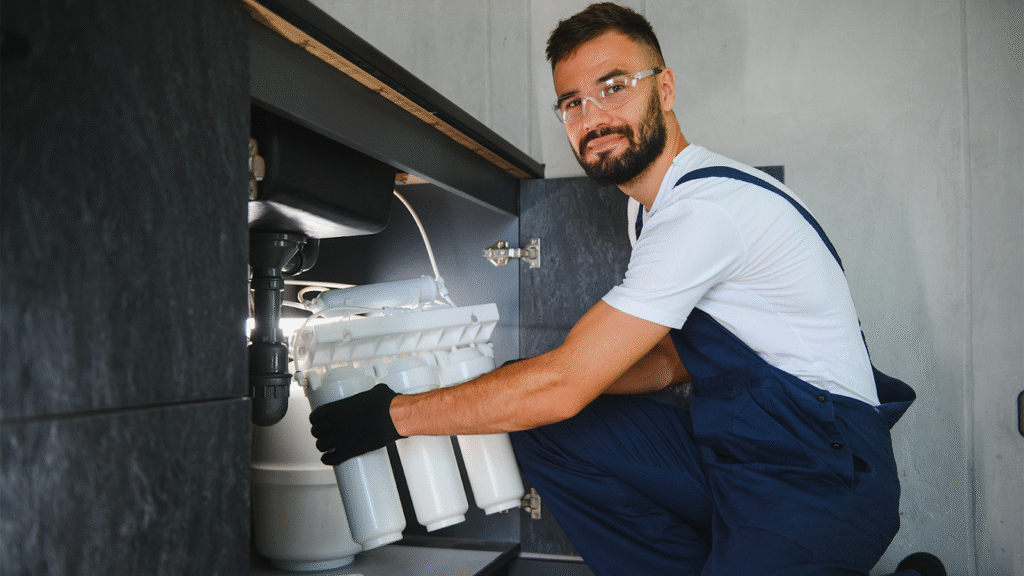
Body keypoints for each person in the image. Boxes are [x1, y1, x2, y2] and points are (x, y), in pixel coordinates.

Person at [309, 4, 945, 575]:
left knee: (548, 395)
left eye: (614, 87)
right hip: (740, 455)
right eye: (573, 102)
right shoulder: (648, 210)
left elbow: (567, 384)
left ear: (663, 89)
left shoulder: (703, 211)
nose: (594, 117)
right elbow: (669, 361)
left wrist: (392, 416)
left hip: (819, 478)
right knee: (540, 423)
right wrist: (522, 381)